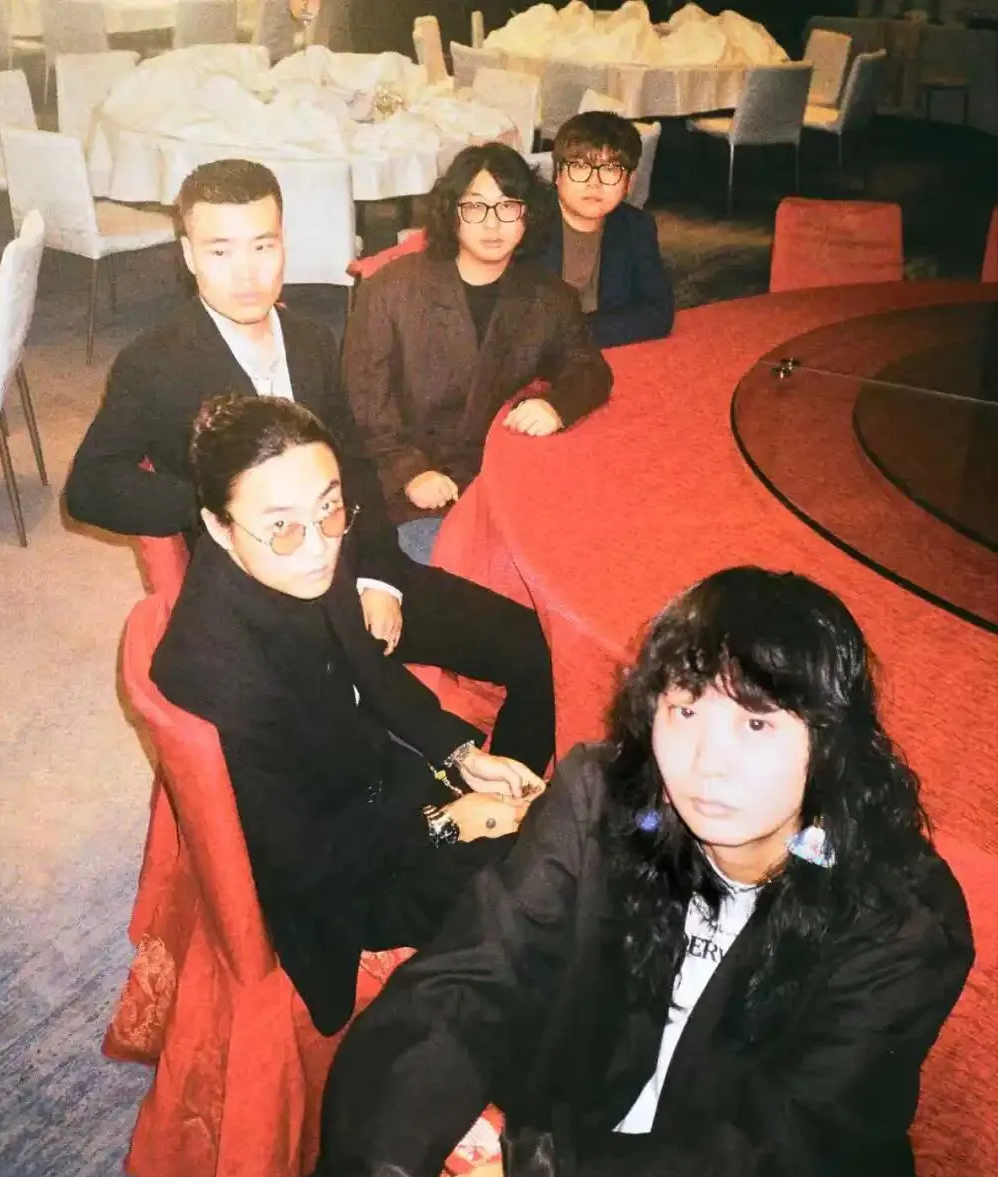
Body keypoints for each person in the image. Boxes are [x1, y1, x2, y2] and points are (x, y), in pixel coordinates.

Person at [300, 565, 974, 1177]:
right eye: (685, 711)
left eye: (756, 722)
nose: (707, 763)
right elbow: (464, 983)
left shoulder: (900, 918)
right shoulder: (603, 800)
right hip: (578, 1129)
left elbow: (788, 1147)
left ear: (829, 742)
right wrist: (385, 1175)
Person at [63, 158, 556, 774]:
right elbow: (90, 485)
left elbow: (355, 465)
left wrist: (379, 579)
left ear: (284, 243)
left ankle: (509, 809)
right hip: (271, 601)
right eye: (220, 251)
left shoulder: (312, 340)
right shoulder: (154, 363)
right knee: (376, 760)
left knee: (536, 649)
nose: (247, 274)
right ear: (188, 255)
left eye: (263, 245)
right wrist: (219, 508)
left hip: (353, 562)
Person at [151, 394, 546, 1036]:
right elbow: (299, 861)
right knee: (539, 895)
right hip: (344, 882)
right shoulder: (218, 674)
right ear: (218, 528)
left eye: (329, 508)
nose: (318, 548)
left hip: (376, 796)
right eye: (282, 526)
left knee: (556, 833)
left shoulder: (303, 560)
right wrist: (445, 824)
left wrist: (461, 757)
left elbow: (370, 668)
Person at [342, 142, 613, 565]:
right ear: (452, 213)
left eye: (508, 206)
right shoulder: (391, 289)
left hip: (503, 483)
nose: (492, 223)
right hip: (409, 490)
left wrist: (558, 405)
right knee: (453, 574)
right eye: (475, 206)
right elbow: (362, 401)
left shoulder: (549, 296)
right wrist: (409, 471)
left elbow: (590, 369)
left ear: (528, 216)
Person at [538, 110, 674, 350]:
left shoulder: (636, 226)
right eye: (580, 167)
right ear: (557, 174)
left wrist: (576, 333)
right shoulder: (527, 223)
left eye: (610, 169)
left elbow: (658, 312)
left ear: (629, 182)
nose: (594, 183)